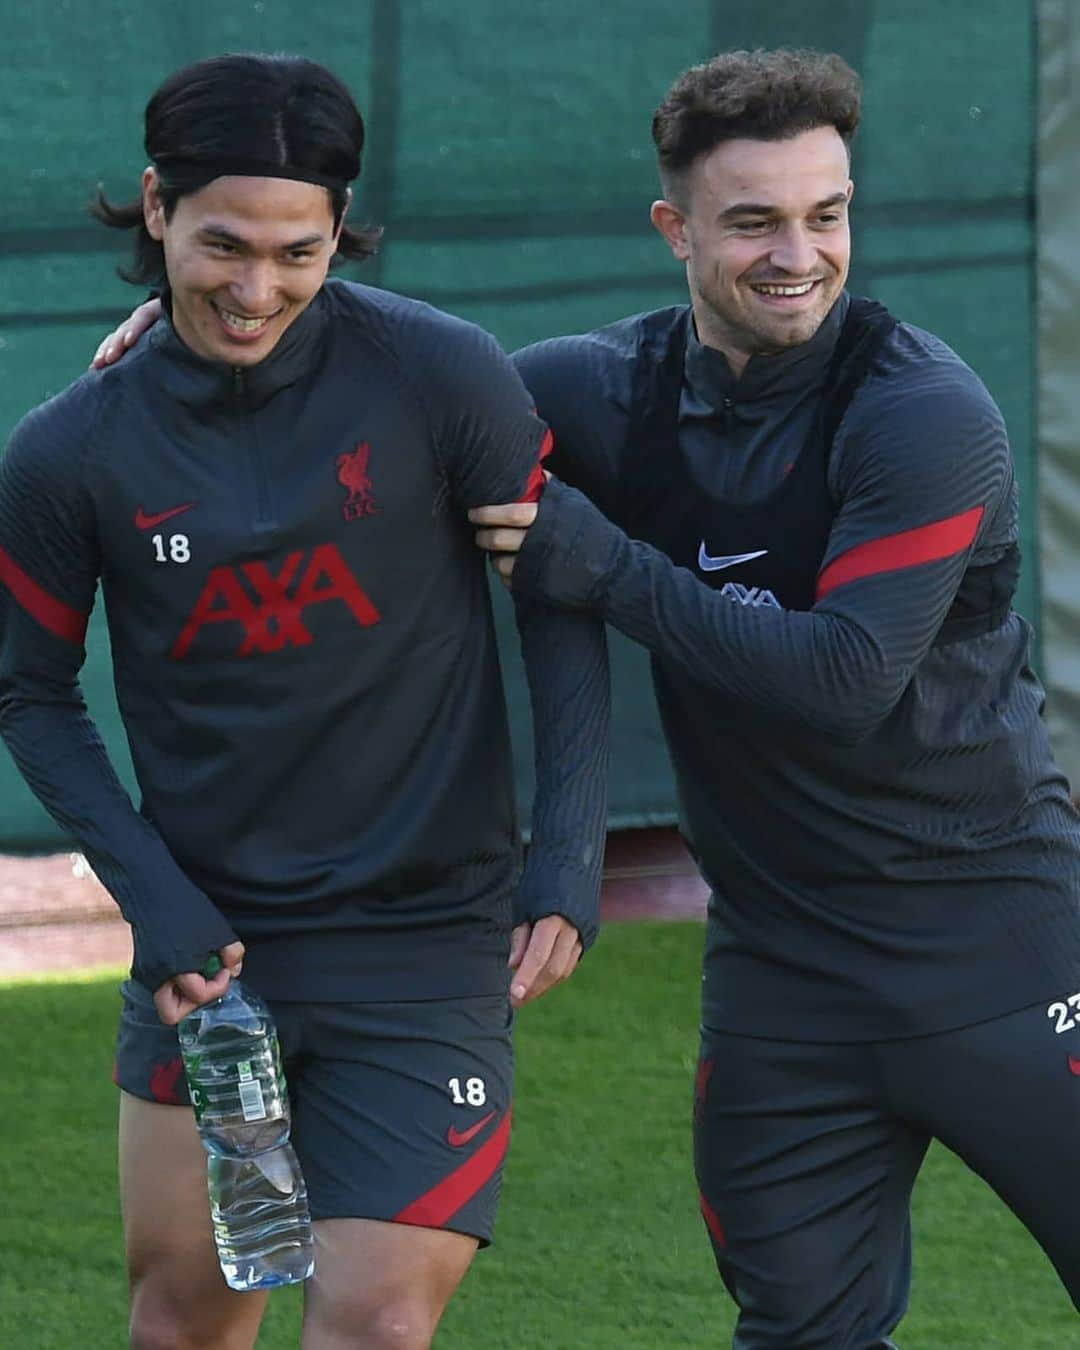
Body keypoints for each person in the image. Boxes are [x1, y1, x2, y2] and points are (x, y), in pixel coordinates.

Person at [465, 47, 1080, 1349]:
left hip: (1007, 950)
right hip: (782, 978)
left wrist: (606, 561)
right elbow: (407, 397)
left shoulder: (924, 414)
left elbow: (843, 680)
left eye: (827, 213)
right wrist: (167, 337)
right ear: (674, 228)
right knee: (799, 1336)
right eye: (753, 221)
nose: (798, 253)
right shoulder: (605, 390)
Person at [0, 53, 609, 1350]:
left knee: (373, 1320)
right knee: (193, 1321)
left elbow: (556, 600)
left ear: (342, 231)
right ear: (156, 208)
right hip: (216, 969)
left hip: (427, 946)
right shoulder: (73, 451)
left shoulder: (438, 376)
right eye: (223, 244)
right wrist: (157, 906)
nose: (256, 288)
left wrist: (565, 855)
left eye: (299, 251)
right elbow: (29, 691)